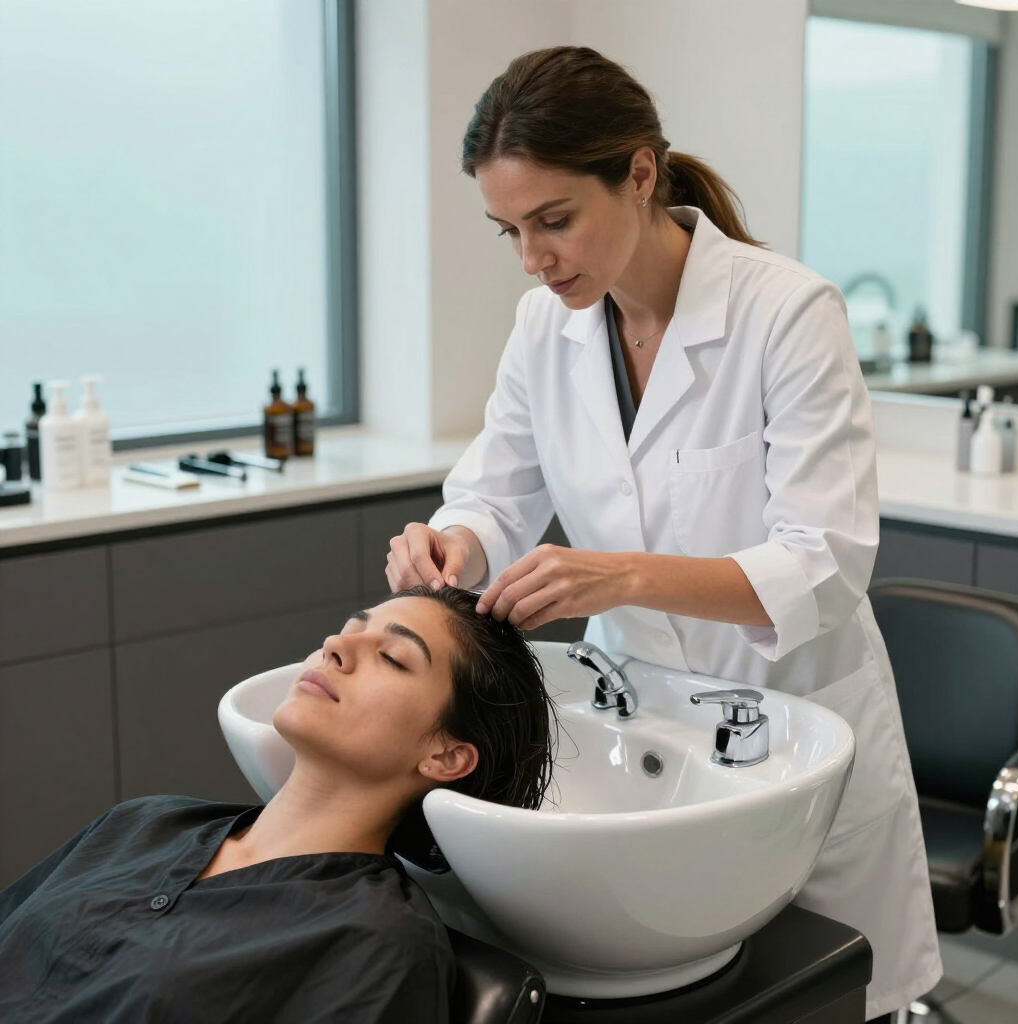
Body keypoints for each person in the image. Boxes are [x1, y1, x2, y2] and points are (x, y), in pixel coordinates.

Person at [386, 46, 941, 1022]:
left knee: (804, 995)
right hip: (635, 724)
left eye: (554, 221)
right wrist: (455, 542)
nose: (533, 258)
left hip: (790, 730)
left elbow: (825, 561)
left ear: (639, 174)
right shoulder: (542, 326)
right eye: (508, 230)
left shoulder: (784, 312)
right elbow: (496, 488)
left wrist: (624, 578)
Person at [0, 586, 555, 1024]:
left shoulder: (374, 942)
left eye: (391, 656)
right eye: (347, 630)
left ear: (446, 756)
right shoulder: (142, 823)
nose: (336, 646)